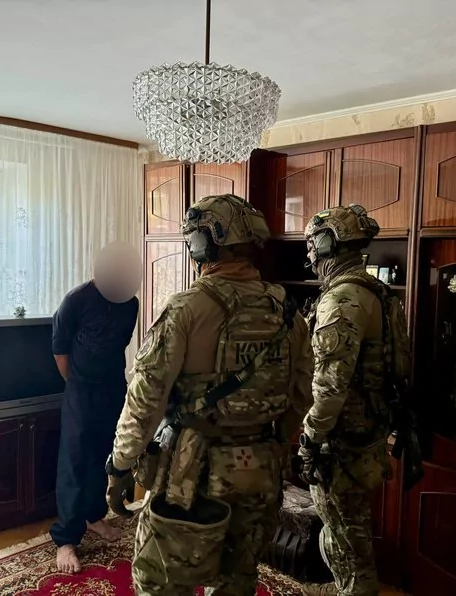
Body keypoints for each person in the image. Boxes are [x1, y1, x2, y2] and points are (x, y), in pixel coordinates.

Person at [104, 194, 314, 596]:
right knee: (237, 581)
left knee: (162, 582)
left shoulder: (186, 308)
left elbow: (145, 401)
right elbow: (302, 393)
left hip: (192, 475)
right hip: (262, 472)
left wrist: (120, 465)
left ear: (203, 244)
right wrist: (268, 442)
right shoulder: (289, 312)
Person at [297, 205, 404, 596]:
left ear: (329, 244)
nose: (309, 254)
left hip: (341, 439)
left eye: (313, 244)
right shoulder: (375, 291)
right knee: (350, 525)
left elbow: (330, 385)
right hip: (368, 430)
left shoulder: (342, 300)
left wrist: (309, 439)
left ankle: (354, 590)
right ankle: (349, 586)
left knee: (342, 529)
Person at [50, 242, 142, 573]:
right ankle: (66, 539)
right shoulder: (76, 300)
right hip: (80, 390)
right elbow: (59, 349)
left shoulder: (130, 303)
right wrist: (77, 383)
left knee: (105, 456)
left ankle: (93, 516)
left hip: (113, 388)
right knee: (74, 459)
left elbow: (120, 344)